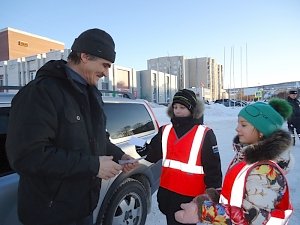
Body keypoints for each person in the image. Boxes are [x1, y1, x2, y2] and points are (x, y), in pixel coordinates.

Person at [6, 28, 136, 225]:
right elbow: (27, 155)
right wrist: (93, 166)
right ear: (84, 56)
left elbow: (99, 138)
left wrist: (119, 155)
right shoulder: (40, 93)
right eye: (105, 65)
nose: (106, 73)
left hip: (83, 208)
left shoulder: (93, 94)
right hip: (49, 215)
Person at [175, 98, 294, 225]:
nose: (237, 129)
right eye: (238, 123)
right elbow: (239, 193)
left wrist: (202, 211)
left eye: (243, 125)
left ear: (261, 131)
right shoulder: (248, 157)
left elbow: (252, 218)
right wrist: (212, 198)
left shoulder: (265, 170)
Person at [136, 89, 222, 225]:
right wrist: (143, 150)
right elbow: (153, 155)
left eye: (182, 107)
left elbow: (213, 168)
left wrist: (212, 193)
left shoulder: (205, 133)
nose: (178, 110)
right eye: (175, 107)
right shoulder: (165, 130)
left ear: (192, 109)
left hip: (191, 197)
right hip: (167, 192)